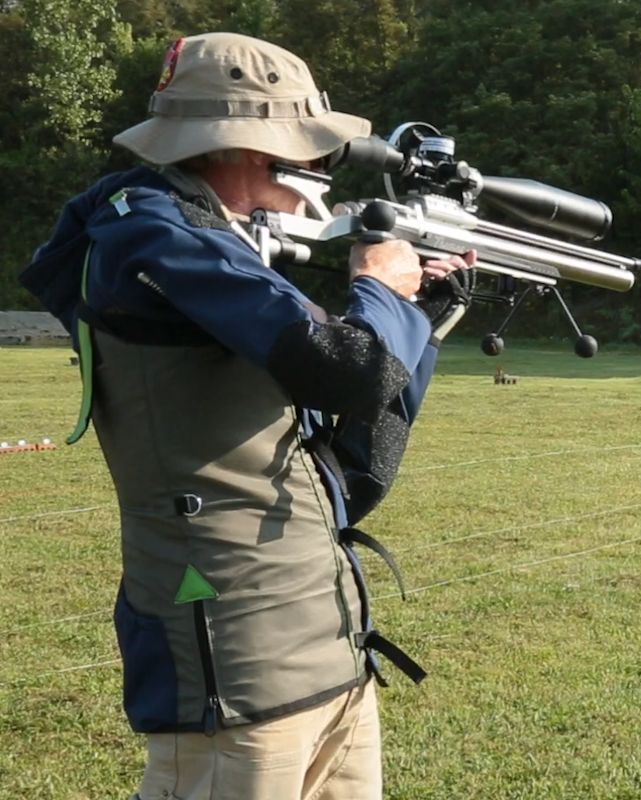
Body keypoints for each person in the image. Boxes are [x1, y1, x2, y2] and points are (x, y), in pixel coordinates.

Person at [19, 32, 473, 799]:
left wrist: (418, 312)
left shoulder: (216, 250)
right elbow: (345, 370)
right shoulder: (159, 238)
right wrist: (380, 288)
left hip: (324, 646)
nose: (312, 169)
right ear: (242, 148)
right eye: (295, 149)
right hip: (237, 669)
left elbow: (355, 460)